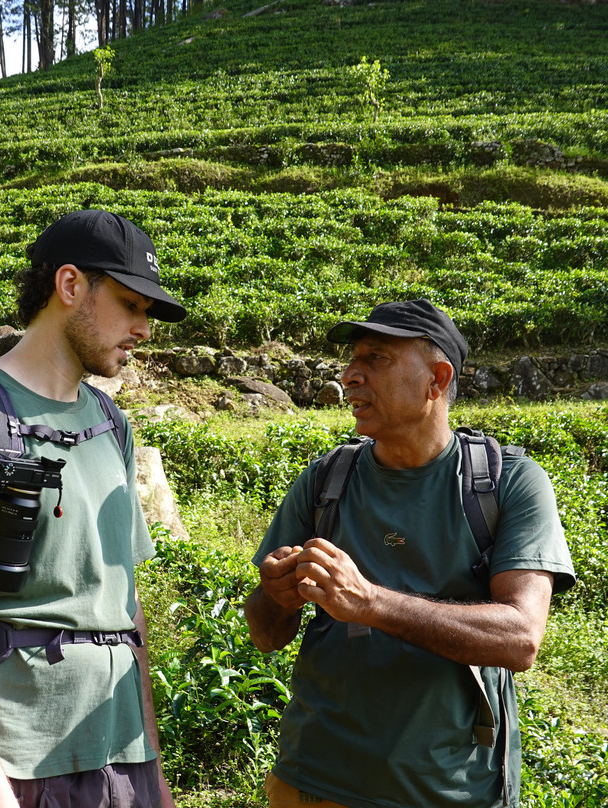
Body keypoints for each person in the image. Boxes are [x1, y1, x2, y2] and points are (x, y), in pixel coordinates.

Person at [0, 209, 185, 808]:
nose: (144, 330)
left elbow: (124, 615)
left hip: (117, 760)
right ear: (71, 286)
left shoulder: (112, 425)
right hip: (8, 763)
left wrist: (150, 773)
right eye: (131, 305)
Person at [244, 299, 576, 808]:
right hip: (312, 782)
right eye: (352, 361)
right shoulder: (326, 480)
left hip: (451, 791)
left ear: (437, 380)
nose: (349, 376)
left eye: (375, 359)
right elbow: (266, 636)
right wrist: (277, 594)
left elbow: (520, 638)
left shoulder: (509, 483)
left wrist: (370, 602)